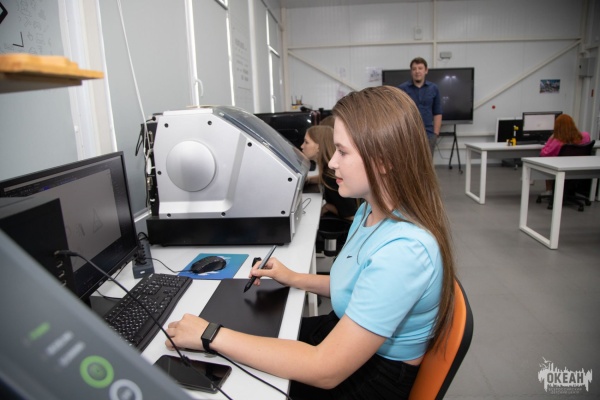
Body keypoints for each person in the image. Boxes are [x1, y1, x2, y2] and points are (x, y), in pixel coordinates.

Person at [165, 85, 456, 400]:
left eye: (343, 152)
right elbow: (356, 287)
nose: (331, 163)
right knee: (246, 336)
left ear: (383, 161)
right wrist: (292, 277)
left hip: (371, 377)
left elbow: (325, 370)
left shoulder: (405, 250)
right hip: (346, 337)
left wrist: (210, 335)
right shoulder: (368, 211)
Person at [301, 125, 359, 220]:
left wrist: (327, 207)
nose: (302, 146)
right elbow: (323, 177)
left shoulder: (331, 176)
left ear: (319, 146)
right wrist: (310, 180)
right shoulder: (330, 171)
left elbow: (351, 216)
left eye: (306, 142)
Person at [398, 57, 442, 155]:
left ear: (426, 70)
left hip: (428, 135)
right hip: (408, 136)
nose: (417, 71)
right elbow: (397, 113)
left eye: (420, 68)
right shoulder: (402, 89)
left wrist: (435, 134)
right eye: (414, 69)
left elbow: (437, 112)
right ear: (411, 72)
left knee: (427, 163)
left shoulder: (434, 88)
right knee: (410, 163)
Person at [539, 114, 591, 194]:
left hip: (561, 169)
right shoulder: (585, 136)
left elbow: (543, 153)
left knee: (548, 161)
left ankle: (549, 190)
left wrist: (551, 138)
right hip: (580, 168)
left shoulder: (557, 141)